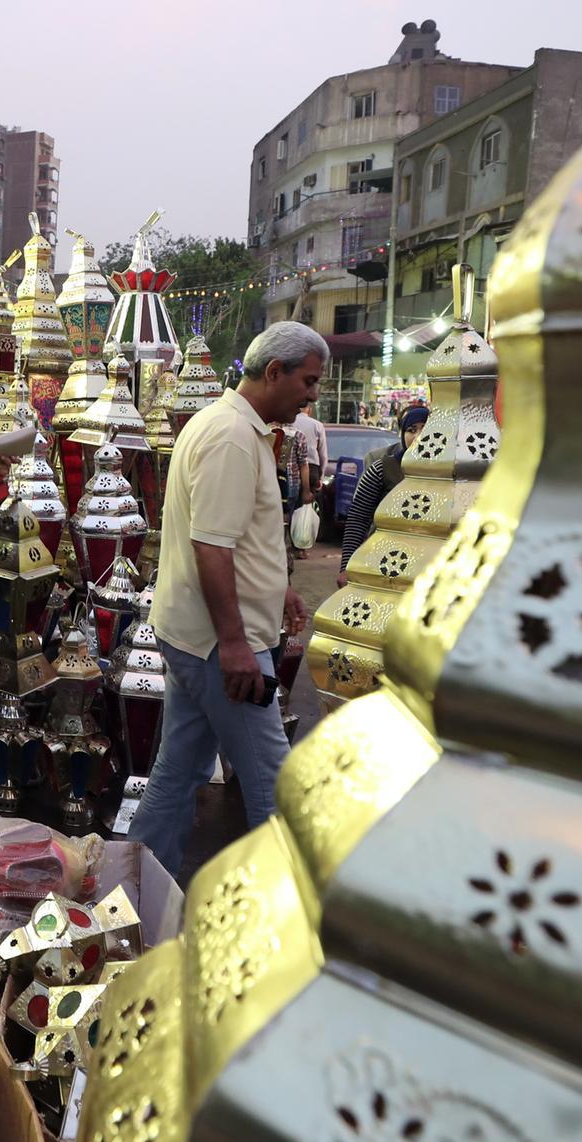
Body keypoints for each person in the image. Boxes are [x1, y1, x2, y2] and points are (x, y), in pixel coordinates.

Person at [128, 321, 325, 876]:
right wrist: (236, 646)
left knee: (178, 773)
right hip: (219, 645)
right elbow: (211, 548)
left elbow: (237, 536)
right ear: (274, 372)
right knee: (274, 789)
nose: (313, 394)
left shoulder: (237, 428)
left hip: (202, 636)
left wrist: (276, 583)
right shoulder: (232, 437)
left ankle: (135, 899)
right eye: (308, 381)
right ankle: (282, 923)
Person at [337, 404, 430, 587]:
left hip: (427, 567)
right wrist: (346, 566)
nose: (418, 436)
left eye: (425, 429)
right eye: (411, 430)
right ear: (403, 435)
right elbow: (358, 518)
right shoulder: (383, 469)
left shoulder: (445, 475)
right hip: (385, 563)